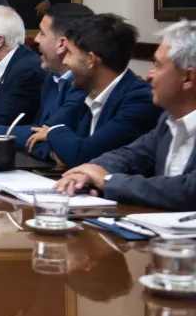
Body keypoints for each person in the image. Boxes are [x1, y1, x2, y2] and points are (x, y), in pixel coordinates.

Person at [56, 19, 196, 211]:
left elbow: (188, 190)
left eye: (158, 65)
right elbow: (132, 154)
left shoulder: (141, 99)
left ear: (188, 78)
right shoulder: (168, 120)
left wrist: (108, 181)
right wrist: (88, 172)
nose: (149, 75)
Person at [20, 14, 161, 167]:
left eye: (70, 53)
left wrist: (53, 133)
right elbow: (38, 141)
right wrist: (59, 151)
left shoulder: (140, 101)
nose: (65, 61)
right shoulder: (85, 94)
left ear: (91, 60)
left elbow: (84, 155)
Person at [0, 3, 93, 154]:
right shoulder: (51, 78)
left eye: (42, 33)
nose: (36, 39)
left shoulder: (83, 84)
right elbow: (37, 132)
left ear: (62, 44)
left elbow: (47, 136)